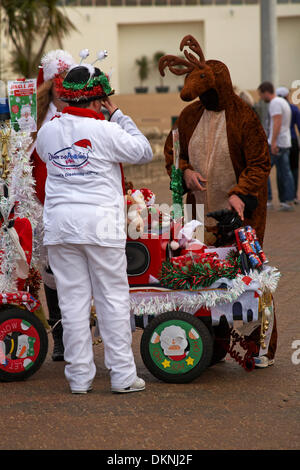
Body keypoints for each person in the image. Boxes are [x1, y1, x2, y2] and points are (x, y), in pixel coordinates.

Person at [36, 61, 153, 394]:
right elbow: (143, 151)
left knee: (71, 302)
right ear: (99, 98)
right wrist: (117, 115)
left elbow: (46, 156)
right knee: (112, 300)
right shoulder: (107, 130)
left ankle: (79, 379)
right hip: (100, 223)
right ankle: (122, 377)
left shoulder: (48, 131)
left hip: (60, 225)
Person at [161, 35, 276, 368]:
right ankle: (213, 345)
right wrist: (185, 172)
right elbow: (173, 153)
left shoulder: (245, 117)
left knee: (248, 280)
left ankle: (259, 347)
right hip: (200, 215)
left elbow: (260, 162)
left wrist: (240, 193)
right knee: (204, 279)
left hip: (242, 215)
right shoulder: (188, 117)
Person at [31, 49, 75, 362]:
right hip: (42, 209)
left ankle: (76, 336)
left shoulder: (80, 115)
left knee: (74, 274)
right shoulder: (32, 121)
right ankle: (59, 337)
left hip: (74, 204)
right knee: (51, 275)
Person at [258, 81, 295, 211]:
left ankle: (267, 199)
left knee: (263, 170)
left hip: (277, 143)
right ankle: (287, 200)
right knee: (285, 172)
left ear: (266, 92)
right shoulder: (283, 102)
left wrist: (273, 142)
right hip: (284, 142)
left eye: (261, 95)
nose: (261, 98)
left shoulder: (275, 103)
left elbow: (277, 122)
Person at [276, 86, 300, 204]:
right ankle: (294, 195)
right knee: (294, 169)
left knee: (281, 170)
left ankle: (283, 197)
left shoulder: (275, 108)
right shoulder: (294, 109)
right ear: (286, 96)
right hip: (293, 140)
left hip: (280, 141)